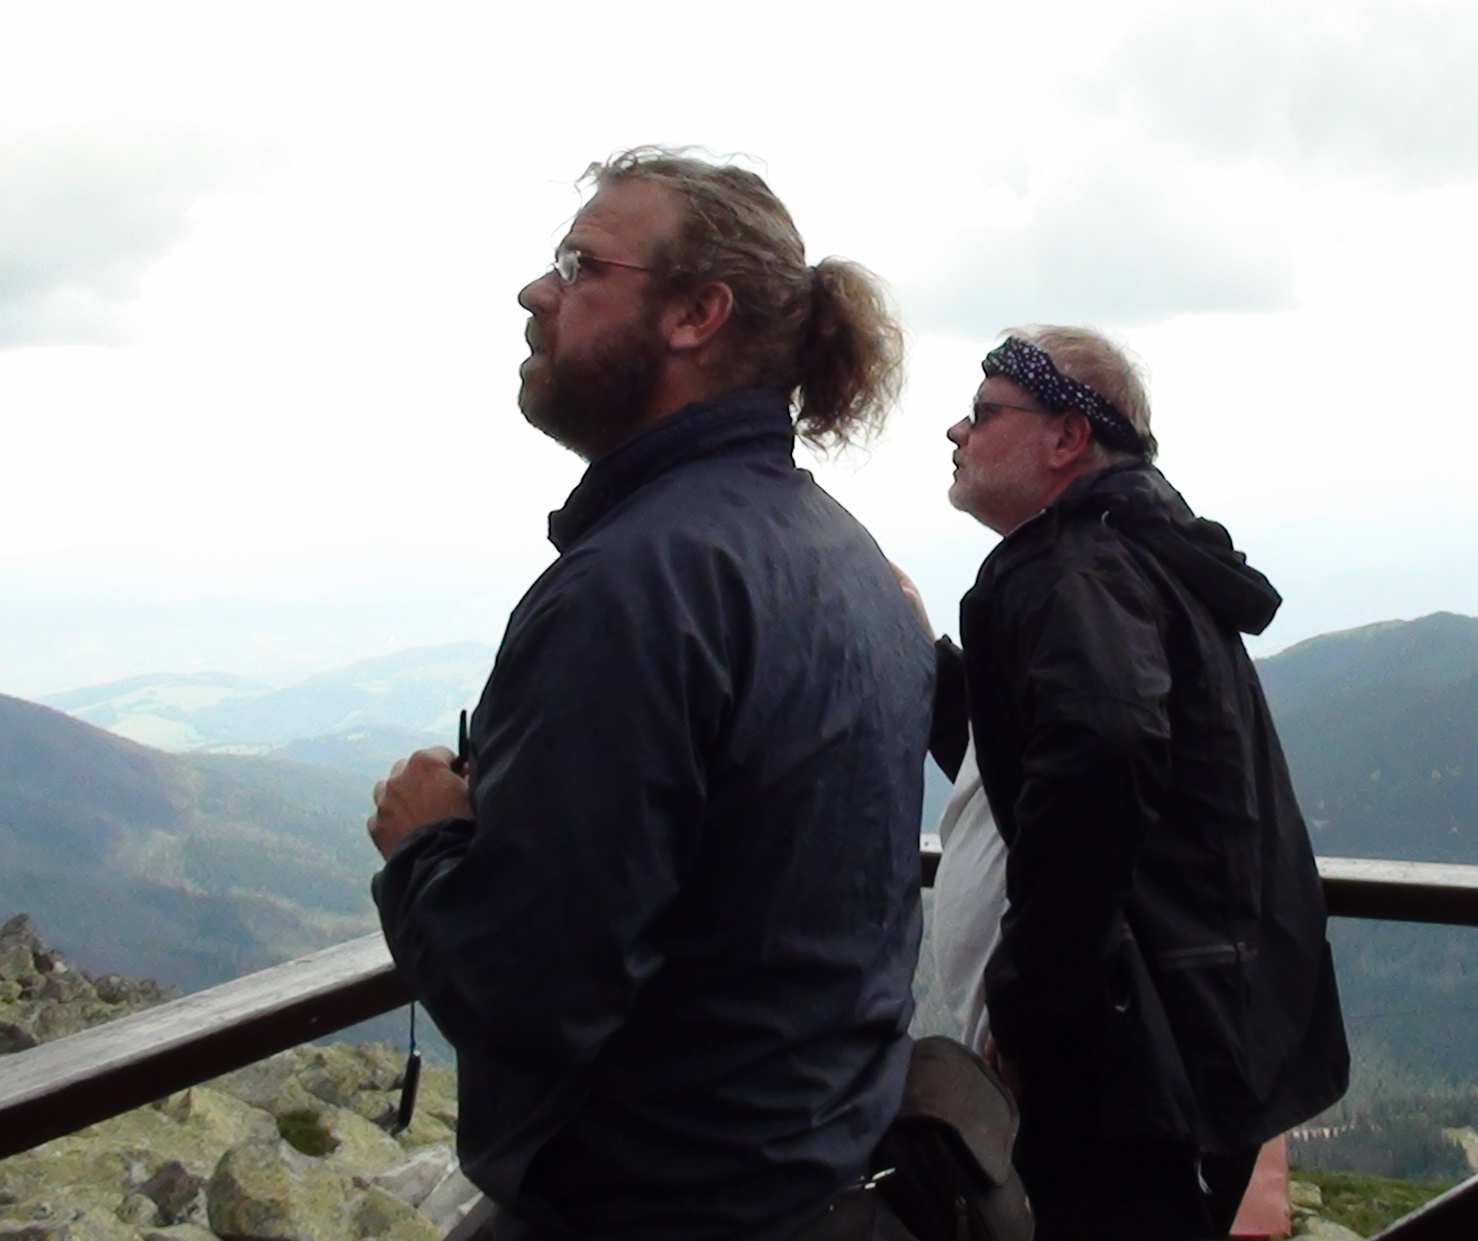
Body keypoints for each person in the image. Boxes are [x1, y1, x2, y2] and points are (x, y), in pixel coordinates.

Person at [366, 148, 931, 1241]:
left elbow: (528, 992)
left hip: (666, 1205)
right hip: (817, 1182)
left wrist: (426, 844)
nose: (535, 292)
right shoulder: (841, 551)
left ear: (695, 314)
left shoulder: (635, 586)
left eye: (580, 266)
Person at [933, 326, 1349, 1240]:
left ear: (1066, 437)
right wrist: (927, 676)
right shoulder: (1127, 559)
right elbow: (1040, 756)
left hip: (1123, 1063)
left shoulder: (1079, 570)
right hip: (1183, 1037)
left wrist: (1030, 1009)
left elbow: (1103, 751)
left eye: (983, 412)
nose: (957, 432)